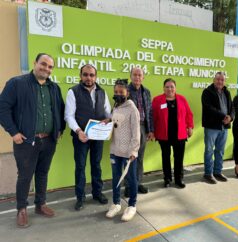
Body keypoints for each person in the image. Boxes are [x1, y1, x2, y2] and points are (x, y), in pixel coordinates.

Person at [0, 53, 65, 228]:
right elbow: (3, 108)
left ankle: (40, 204)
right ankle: (21, 209)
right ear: (35, 63)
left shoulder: (54, 88)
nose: (46, 69)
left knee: (43, 173)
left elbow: (60, 109)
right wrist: (13, 132)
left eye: (50, 67)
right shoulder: (17, 83)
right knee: (25, 176)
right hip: (26, 142)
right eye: (43, 64)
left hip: (48, 140)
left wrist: (60, 129)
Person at [64, 64, 111, 211]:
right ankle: (80, 197)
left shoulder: (102, 92)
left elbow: (108, 112)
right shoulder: (73, 92)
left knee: (96, 165)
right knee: (80, 166)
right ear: (80, 75)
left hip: (98, 136)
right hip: (81, 137)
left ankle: (97, 193)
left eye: (92, 75)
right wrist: (78, 131)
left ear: (96, 77)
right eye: (85, 74)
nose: (89, 78)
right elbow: (68, 116)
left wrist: (108, 120)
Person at [106, 79, 140, 222]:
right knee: (116, 178)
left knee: (131, 179)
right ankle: (116, 203)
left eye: (121, 92)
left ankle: (132, 205)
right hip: (115, 150)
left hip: (128, 152)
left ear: (127, 92)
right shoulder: (116, 107)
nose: (118, 94)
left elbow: (136, 132)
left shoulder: (132, 108)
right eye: (116, 92)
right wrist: (106, 121)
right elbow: (115, 124)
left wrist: (134, 150)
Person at [152, 78, 194, 188]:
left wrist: (190, 127)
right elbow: (153, 117)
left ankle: (179, 179)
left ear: (175, 88)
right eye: (167, 87)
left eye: (172, 87)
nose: (169, 89)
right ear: (163, 88)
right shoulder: (157, 100)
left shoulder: (182, 99)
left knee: (179, 158)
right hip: (163, 134)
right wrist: (151, 131)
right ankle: (167, 179)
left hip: (179, 134)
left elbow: (189, 114)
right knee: (165, 158)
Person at [125, 67, 154, 196]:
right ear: (130, 76)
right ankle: (128, 185)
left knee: (140, 157)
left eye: (139, 75)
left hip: (143, 127)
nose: (137, 77)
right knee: (129, 157)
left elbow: (150, 112)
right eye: (134, 75)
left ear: (143, 77)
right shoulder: (125, 91)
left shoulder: (146, 92)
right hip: (129, 128)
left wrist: (150, 130)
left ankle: (137, 183)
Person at [201, 72, 234, 184]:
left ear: (224, 81)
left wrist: (231, 117)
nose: (220, 81)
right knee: (209, 151)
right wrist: (223, 116)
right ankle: (208, 174)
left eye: (222, 80)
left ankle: (217, 172)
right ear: (213, 80)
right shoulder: (207, 92)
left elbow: (232, 107)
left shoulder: (227, 92)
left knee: (220, 151)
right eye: (218, 79)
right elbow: (209, 108)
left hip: (224, 126)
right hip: (212, 126)